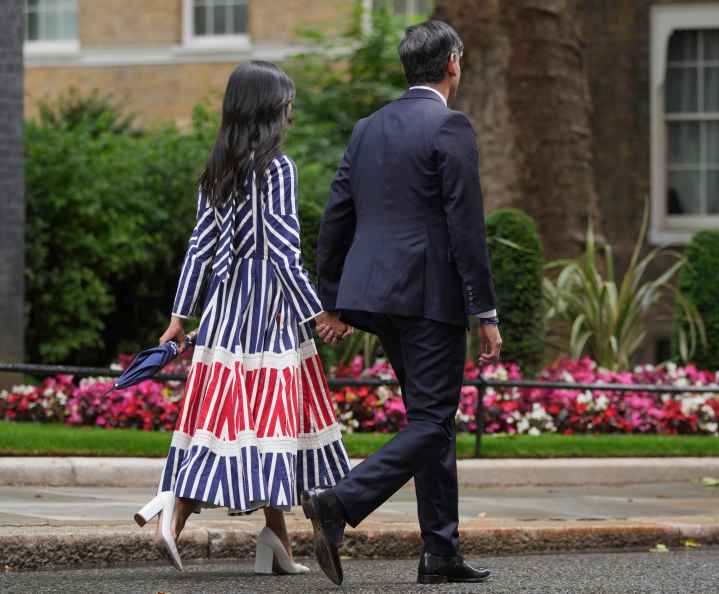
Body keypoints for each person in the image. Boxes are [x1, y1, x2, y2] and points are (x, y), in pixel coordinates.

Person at [135, 60, 353, 575]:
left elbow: (200, 247)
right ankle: (177, 508)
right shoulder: (278, 168)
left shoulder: (217, 168)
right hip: (268, 311)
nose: (291, 109)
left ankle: (276, 541)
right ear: (268, 109)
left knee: (242, 417)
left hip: (225, 309)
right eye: (286, 101)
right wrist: (316, 312)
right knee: (272, 417)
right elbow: (282, 249)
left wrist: (179, 315)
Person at [308, 20, 502, 585]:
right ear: (453, 65)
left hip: (374, 296)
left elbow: (336, 216)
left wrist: (334, 299)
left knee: (428, 420)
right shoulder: (450, 125)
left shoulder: (368, 127)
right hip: (429, 298)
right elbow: (468, 229)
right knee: (434, 419)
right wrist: (484, 312)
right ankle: (340, 502)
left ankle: (440, 552)